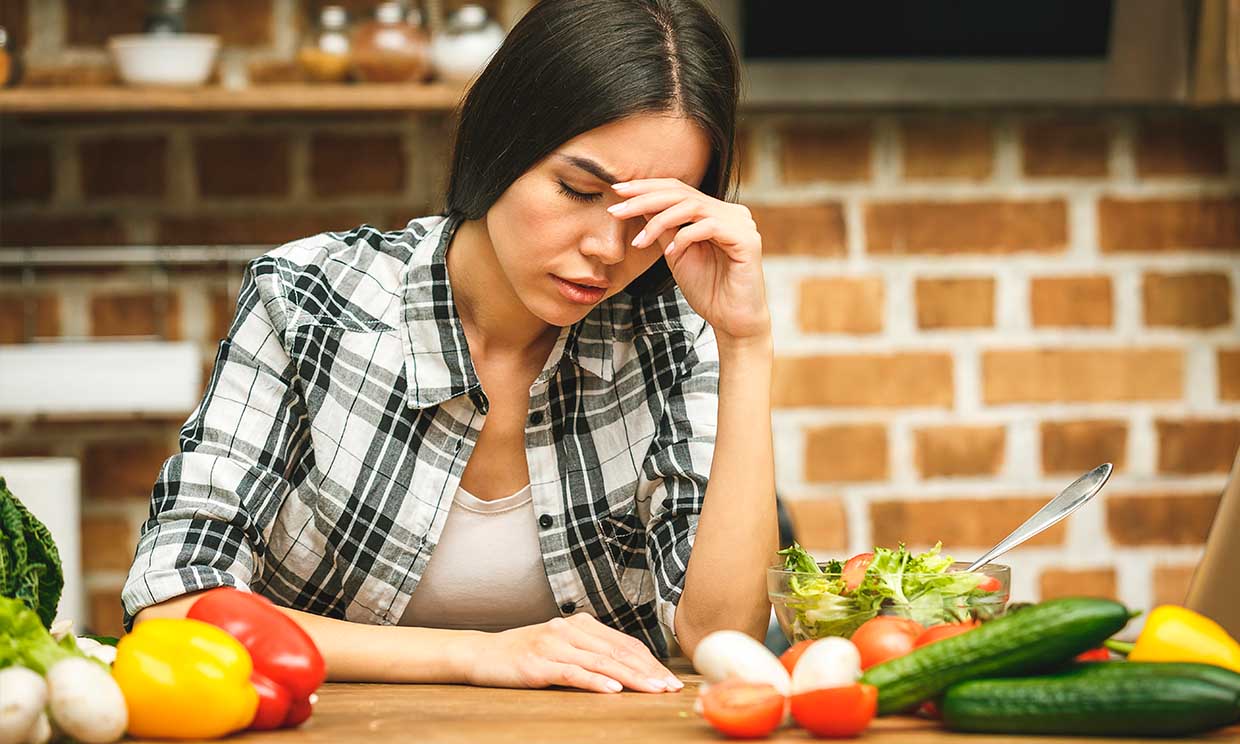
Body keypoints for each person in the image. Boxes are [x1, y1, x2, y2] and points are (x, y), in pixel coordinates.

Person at [123, 0, 775, 695]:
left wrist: (747, 342)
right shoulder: (309, 299)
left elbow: (721, 639)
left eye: (648, 216)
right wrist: (477, 656)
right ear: (500, 143)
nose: (607, 250)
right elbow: (174, 605)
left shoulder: (669, 335)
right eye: (579, 190)